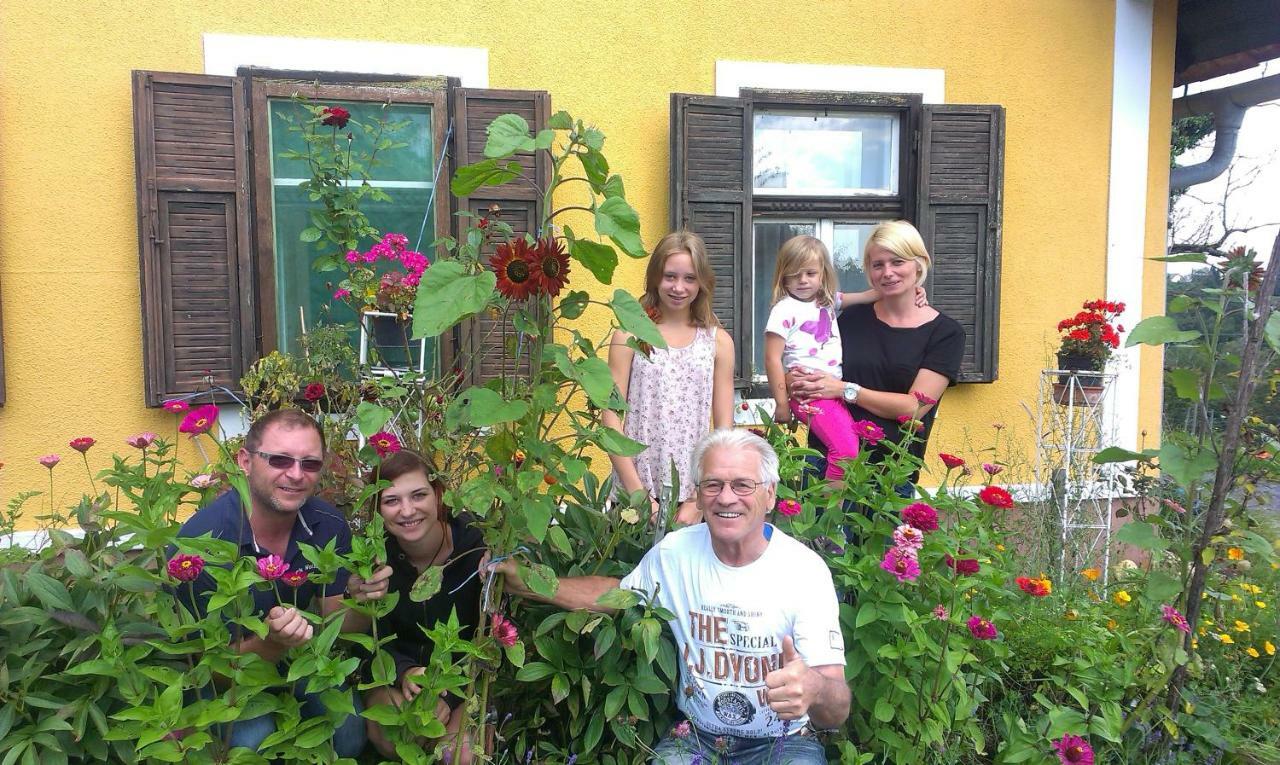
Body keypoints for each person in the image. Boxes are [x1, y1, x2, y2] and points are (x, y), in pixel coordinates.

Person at [492, 429, 849, 764]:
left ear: (770, 494)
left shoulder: (804, 571)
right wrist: (526, 581)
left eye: (742, 485)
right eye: (713, 484)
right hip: (695, 737)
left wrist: (815, 688)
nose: (726, 497)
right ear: (698, 493)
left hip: (783, 741)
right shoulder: (675, 553)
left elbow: (837, 708)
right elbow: (616, 595)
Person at [174, 408, 390, 757]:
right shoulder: (202, 544)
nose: (295, 475)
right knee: (256, 739)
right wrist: (273, 644)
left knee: (348, 731)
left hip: (299, 660)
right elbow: (209, 672)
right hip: (228, 683)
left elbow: (338, 625)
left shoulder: (326, 524)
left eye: (310, 464)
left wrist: (362, 599)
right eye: (279, 460)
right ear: (245, 461)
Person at [789, 220, 964, 489]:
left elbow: (914, 407)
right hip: (829, 462)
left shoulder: (946, 333)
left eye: (897, 262)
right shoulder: (850, 319)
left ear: (919, 263)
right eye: (878, 264)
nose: (888, 272)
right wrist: (795, 381)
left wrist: (845, 389)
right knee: (820, 531)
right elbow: (802, 344)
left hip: (891, 473)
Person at [359, 450, 486, 763]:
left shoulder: (477, 547)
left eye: (418, 495)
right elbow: (371, 642)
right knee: (399, 734)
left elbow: (488, 642)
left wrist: (448, 693)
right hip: (397, 677)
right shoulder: (371, 557)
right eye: (391, 501)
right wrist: (406, 673)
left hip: (464, 681)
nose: (407, 511)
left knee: (460, 756)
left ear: (439, 495)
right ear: (376, 510)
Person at [764, 234, 924, 481]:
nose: (803, 281)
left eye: (810, 273)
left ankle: (831, 505)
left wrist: (915, 290)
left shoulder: (826, 301)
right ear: (783, 276)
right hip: (810, 391)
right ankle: (831, 512)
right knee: (847, 452)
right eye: (794, 275)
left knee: (847, 448)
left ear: (823, 274)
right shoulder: (783, 309)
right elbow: (772, 359)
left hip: (832, 390)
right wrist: (782, 403)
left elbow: (869, 295)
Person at [603, 231, 735, 528]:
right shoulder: (629, 335)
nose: (679, 287)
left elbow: (724, 431)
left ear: (702, 281)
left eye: (689, 278)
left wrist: (699, 499)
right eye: (670, 276)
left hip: (692, 502)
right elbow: (610, 419)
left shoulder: (718, 342)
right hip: (634, 496)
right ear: (654, 278)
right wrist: (637, 495)